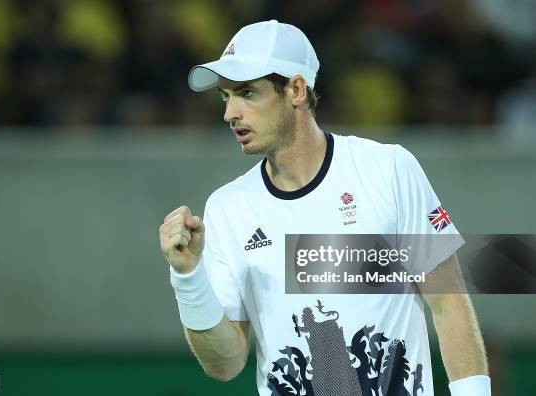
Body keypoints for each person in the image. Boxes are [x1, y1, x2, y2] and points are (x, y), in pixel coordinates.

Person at [159, 20, 489, 396]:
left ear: (296, 89)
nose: (229, 113)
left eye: (247, 93)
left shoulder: (390, 169)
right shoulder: (226, 207)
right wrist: (187, 279)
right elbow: (226, 363)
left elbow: (449, 305)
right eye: (225, 96)